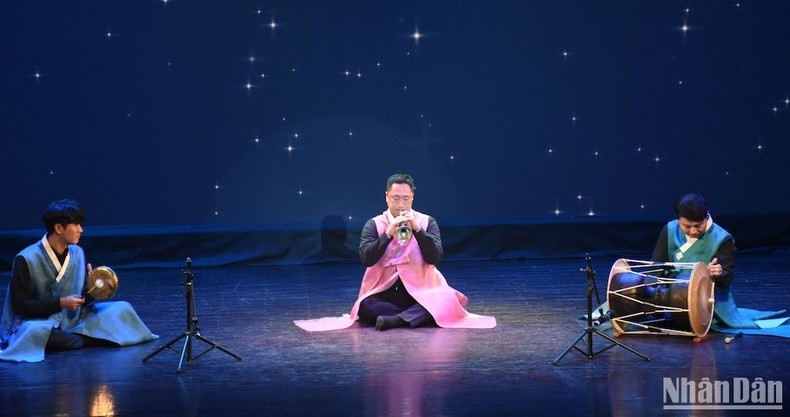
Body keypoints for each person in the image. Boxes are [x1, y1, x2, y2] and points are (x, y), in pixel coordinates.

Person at [295, 173, 496, 331]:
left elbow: (435, 257)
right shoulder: (374, 224)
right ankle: (414, 316)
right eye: (395, 198)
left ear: (413, 198)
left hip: (422, 290)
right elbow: (366, 259)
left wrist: (418, 230)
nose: (401, 205)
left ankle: (397, 320)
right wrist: (387, 235)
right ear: (386, 197)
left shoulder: (427, 222)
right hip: (386, 292)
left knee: (447, 298)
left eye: (406, 199)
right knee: (365, 306)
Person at [0, 199, 158, 362]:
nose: (80, 230)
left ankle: (78, 338)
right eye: (76, 225)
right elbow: (20, 306)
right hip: (36, 321)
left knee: (122, 309)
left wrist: (93, 289)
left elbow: (80, 300)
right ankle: (91, 337)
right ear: (59, 228)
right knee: (34, 332)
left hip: (70, 317)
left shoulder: (77, 253)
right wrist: (60, 303)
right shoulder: (26, 258)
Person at [652, 193, 785, 329]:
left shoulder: (721, 238)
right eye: (686, 226)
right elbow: (656, 266)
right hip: (671, 293)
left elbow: (727, 278)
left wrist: (719, 273)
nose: (693, 231)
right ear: (678, 219)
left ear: (706, 216)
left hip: (704, 298)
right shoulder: (669, 230)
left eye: (698, 226)